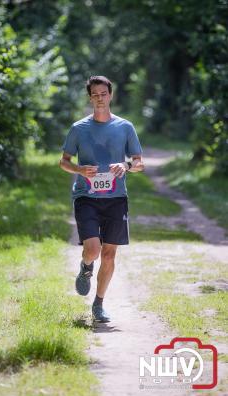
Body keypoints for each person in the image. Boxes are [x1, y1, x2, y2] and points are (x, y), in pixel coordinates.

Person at [59, 75, 144, 323]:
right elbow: (63, 162)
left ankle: (98, 304)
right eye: (95, 94)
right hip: (86, 196)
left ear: (111, 95)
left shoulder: (125, 127)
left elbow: (139, 163)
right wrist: (79, 170)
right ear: (90, 98)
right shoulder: (78, 129)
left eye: (103, 94)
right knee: (93, 250)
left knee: (109, 255)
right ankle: (86, 267)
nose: (99, 98)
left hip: (116, 198)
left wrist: (126, 165)